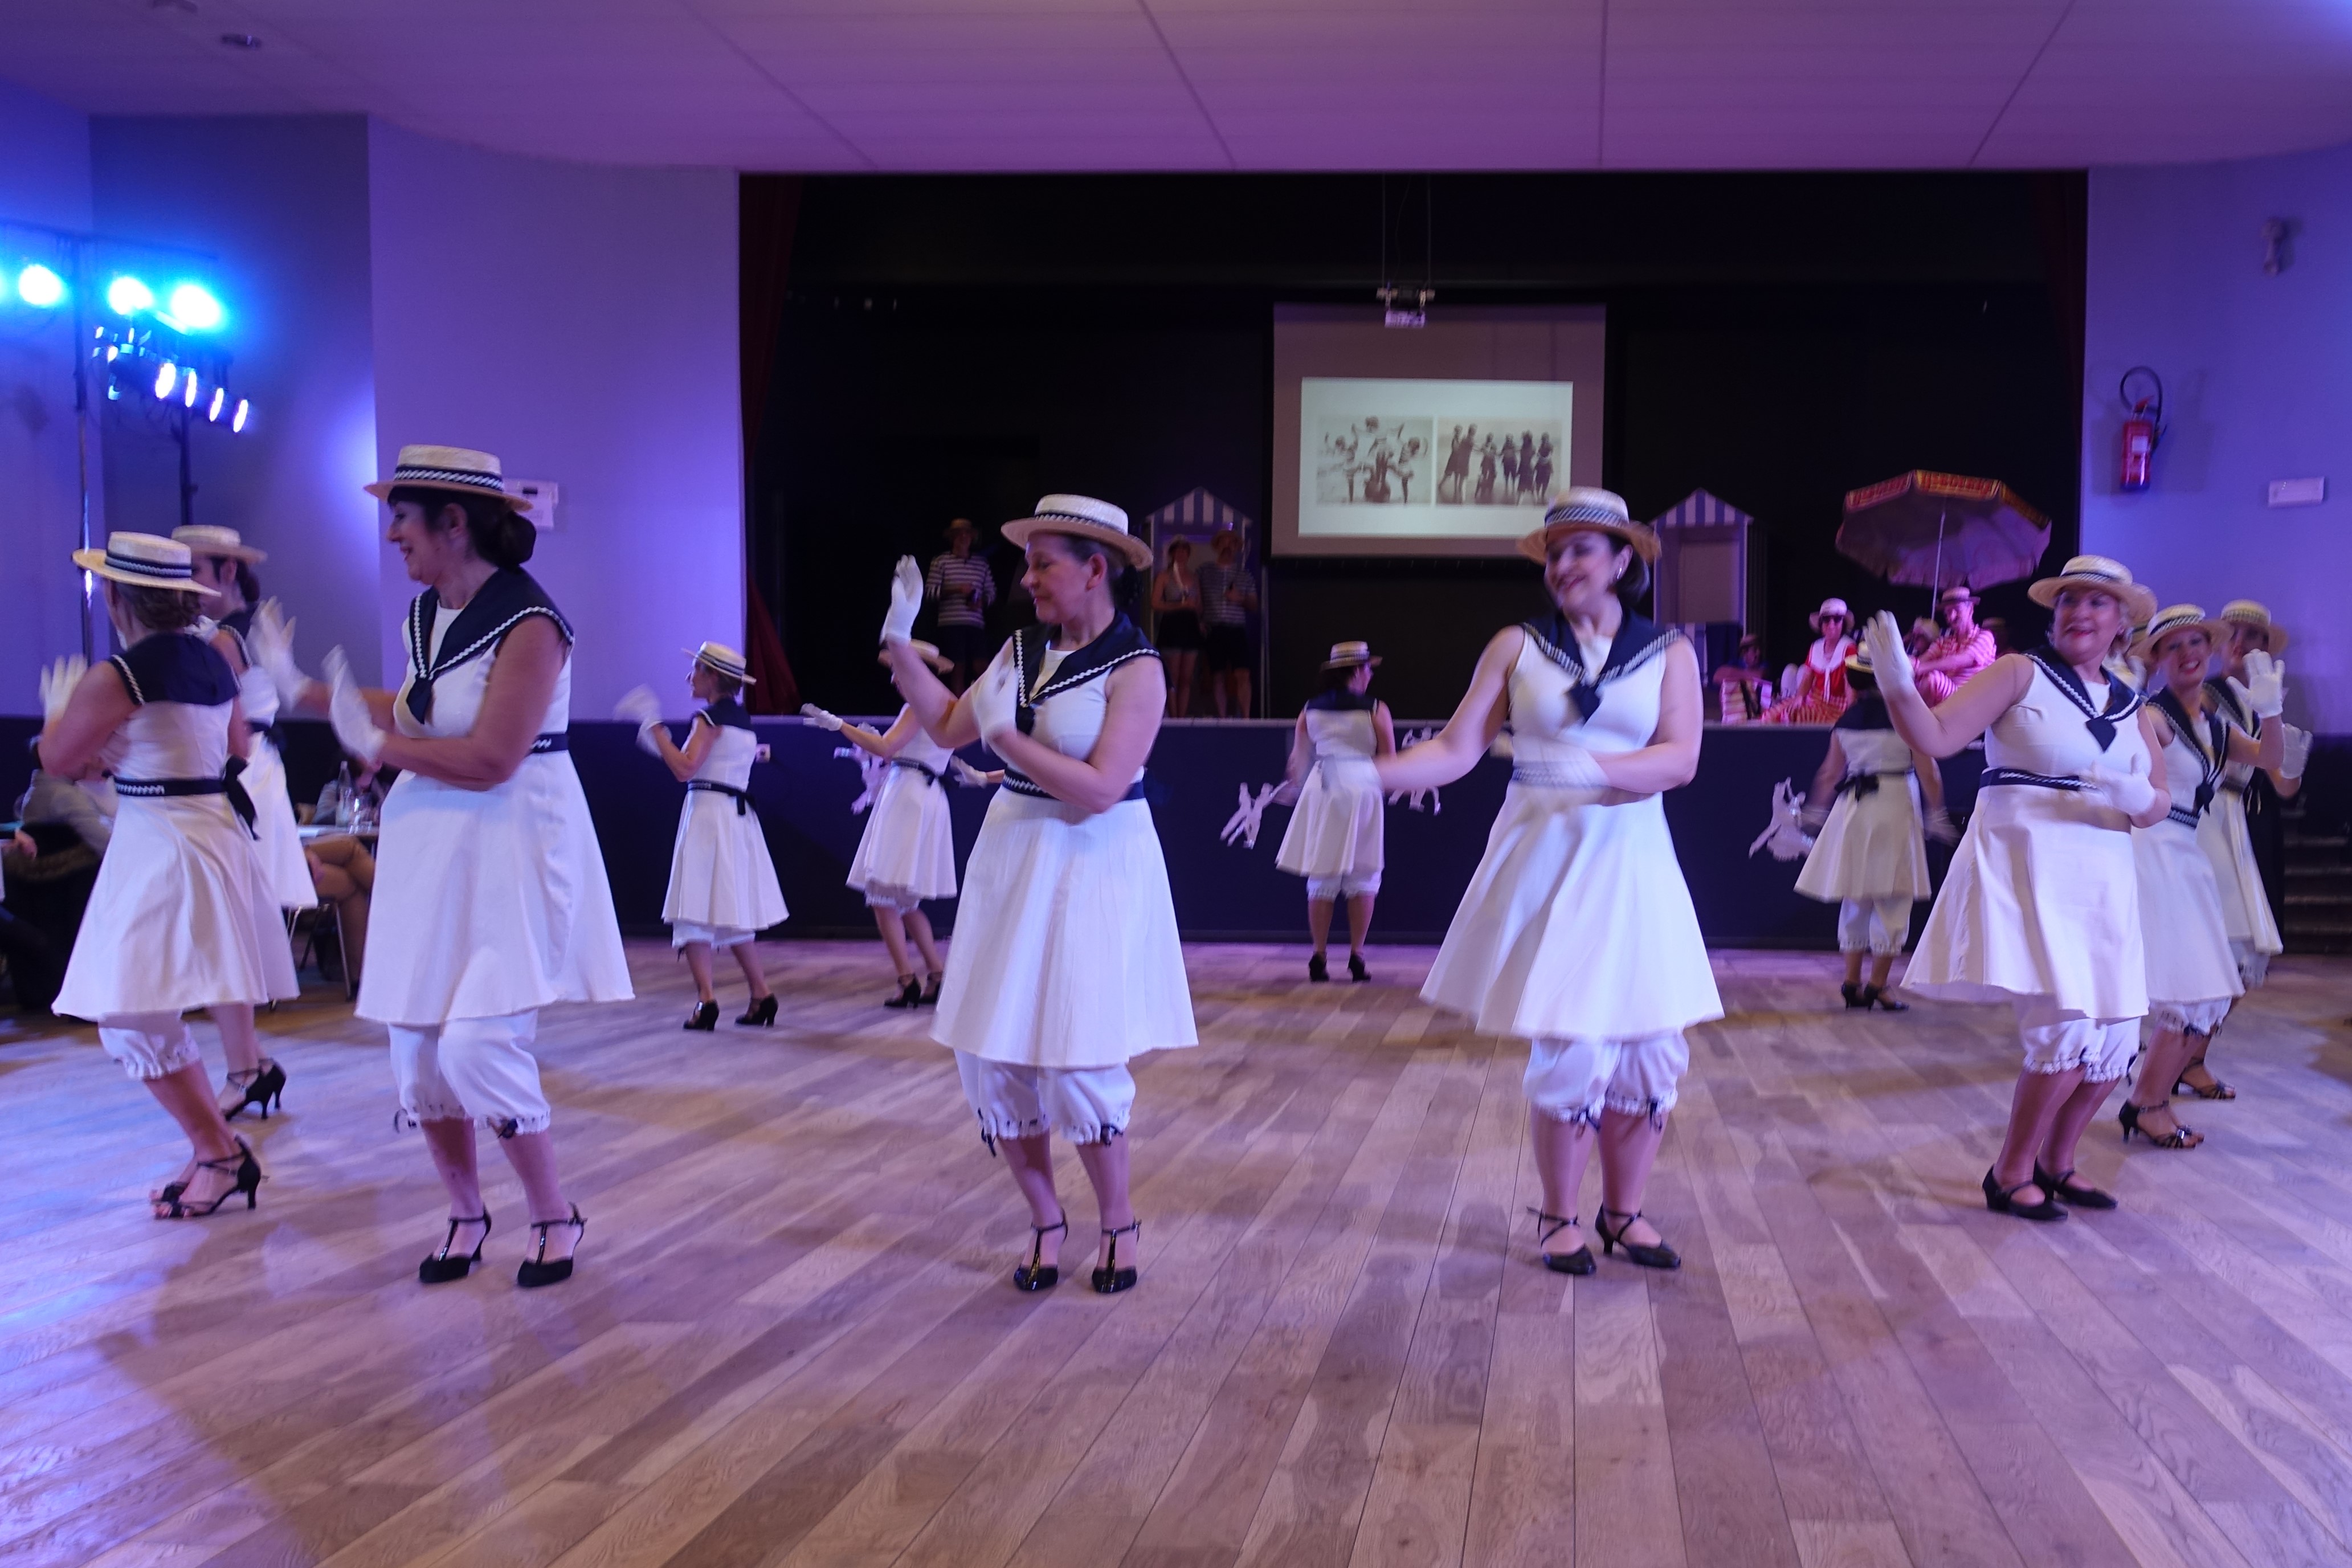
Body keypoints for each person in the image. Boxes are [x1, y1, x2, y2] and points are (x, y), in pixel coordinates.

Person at [256, 445, 631, 1288]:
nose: (393, 534)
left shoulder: (531, 623)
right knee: (418, 1050)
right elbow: (419, 708)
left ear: (453, 523)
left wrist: (378, 746)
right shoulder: (427, 615)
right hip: (433, 840)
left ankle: (553, 1213)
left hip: (511, 839)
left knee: (478, 1045)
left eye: (402, 517)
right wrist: (306, 691)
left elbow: (494, 755)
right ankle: (466, 1212)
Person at [1379, 488, 1717, 1276]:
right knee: (1571, 1042)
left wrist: (1588, 767)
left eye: (1580, 550)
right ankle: (1560, 1217)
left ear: (1622, 561)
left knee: (1651, 1046)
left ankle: (1624, 1213)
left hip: (1632, 863)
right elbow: (1457, 748)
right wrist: (1373, 775)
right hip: (1548, 860)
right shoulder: (1517, 645)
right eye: (1554, 553)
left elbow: (1681, 758)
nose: (1563, 565)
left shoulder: (1669, 651)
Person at [880, 493, 1195, 1297]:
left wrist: (1008, 741)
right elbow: (949, 725)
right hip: (1015, 859)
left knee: (1078, 1053)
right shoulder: (1020, 649)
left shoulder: (1137, 668)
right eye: (1028, 564)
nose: (1027, 579)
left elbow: (1102, 787)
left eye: (1042, 564)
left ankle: (1117, 1222)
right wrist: (900, 644)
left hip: (1091, 863)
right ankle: (1046, 1220)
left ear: (1094, 571)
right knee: (995, 1054)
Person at [1861, 555, 2174, 1222]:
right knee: (2066, 1030)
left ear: (2122, 622)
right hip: (2032, 871)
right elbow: (1937, 735)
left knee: (2115, 1039)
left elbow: (2160, 802)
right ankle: (2009, 1172)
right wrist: (1898, 685)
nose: (2079, 612)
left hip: (2103, 882)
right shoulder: (2018, 673)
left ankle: (2058, 1162)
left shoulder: (2132, 706)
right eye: (2068, 601)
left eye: (2096, 602)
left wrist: (2138, 794)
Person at [42, 532, 295, 1218]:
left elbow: (60, 760)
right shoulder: (214, 662)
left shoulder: (118, 673)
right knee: (141, 1009)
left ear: (118, 598)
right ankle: (216, 1148)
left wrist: (61, 718)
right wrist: (139, 752)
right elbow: (237, 747)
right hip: (210, 832)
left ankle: (219, 1152)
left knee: (130, 1010)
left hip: (161, 843)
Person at [2118, 606, 2287, 1146]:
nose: (2188, 653)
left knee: (2207, 992)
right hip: (2155, 851)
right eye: (2174, 646)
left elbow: (2271, 759)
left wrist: (2271, 709)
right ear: (2160, 659)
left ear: (2210, 651)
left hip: (2186, 852)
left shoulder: (2214, 724)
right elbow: (2137, 777)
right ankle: (2147, 1103)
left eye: (2196, 643)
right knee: (2190, 991)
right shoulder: (2154, 718)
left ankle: (2149, 1101)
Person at [177, 527, 313, 1123]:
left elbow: (201, 698)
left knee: (225, 926)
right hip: (236, 773)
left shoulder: (232, 634)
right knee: (222, 927)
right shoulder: (218, 631)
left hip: (241, 776)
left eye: (194, 571)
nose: (185, 585)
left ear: (228, 572)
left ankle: (246, 1068)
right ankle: (250, 1062)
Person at [617, 642, 785, 1030]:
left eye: (695, 670)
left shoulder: (708, 720)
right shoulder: (741, 720)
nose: (689, 677)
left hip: (708, 816)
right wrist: (659, 739)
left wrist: (652, 724)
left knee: (693, 907)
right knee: (732, 909)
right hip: (735, 818)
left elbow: (685, 769)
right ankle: (761, 994)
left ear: (713, 676)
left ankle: (706, 1000)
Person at [2179, 599, 2305, 1100]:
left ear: (2265, 648)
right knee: (2215, 949)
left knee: (2245, 954)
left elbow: (2284, 786)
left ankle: (2191, 1058)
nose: (2239, 643)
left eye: (2251, 636)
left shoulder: (2263, 703)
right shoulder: (2207, 695)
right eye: (2231, 633)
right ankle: (2174, 1061)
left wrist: (2285, 744)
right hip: (2206, 820)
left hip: (2241, 824)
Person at [803, 640, 961, 1008]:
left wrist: (839, 725)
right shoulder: (946, 702)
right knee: (903, 899)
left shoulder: (919, 704)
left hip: (908, 794)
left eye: (898, 670)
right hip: (923, 792)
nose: (893, 679)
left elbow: (886, 748)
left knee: (882, 896)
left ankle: (907, 979)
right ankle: (936, 974)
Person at [1795, 648, 1953, 1010]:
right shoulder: (1909, 720)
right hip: (1895, 803)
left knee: (1857, 894)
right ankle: (1878, 986)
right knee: (1894, 895)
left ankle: (1852, 982)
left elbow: (1829, 772)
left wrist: (1816, 810)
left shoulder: (1846, 721)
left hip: (1854, 807)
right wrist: (1937, 814)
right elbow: (1929, 772)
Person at [1275, 641, 1395, 983]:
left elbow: (1298, 761)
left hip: (1323, 785)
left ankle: (1319, 955)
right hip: (1362, 783)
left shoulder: (1309, 710)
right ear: (1356, 671)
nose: (1370, 675)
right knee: (1364, 874)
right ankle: (1357, 955)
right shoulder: (1376, 709)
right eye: (1368, 668)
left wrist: (1294, 787)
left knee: (1322, 875)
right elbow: (1389, 760)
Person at [925, 518, 997, 692]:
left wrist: (981, 602)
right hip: (951, 624)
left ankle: (983, 704)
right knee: (958, 669)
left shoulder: (981, 563)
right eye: (958, 534)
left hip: (975, 624)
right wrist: (957, 589)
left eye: (967, 534)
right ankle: (958, 707)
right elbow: (930, 593)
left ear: (972, 537)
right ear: (952, 538)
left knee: (982, 668)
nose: (963, 537)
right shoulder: (941, 561)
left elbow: (991, 592)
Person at [1761, 599, 1855, 724]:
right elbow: (1807, 678)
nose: (1831, 624)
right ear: (1821, 624)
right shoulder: (1816, 647)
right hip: (1815, 700)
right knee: (1773, 714)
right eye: (1827, 619)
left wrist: (1852, 714)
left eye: (1837, 619)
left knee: (1794, 715)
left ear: (1843, 624)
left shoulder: (1849, 648)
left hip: (1836, 707)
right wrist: (1799, 697)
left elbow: (1850, 686)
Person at [1197, 527, 1257, 718]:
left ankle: (1246, 719)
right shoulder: (1204, 571)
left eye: (1232, 543)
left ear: (1237, 548)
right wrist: (1199, 621)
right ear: (1217, 546)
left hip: (1236, 629)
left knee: (1243, 674)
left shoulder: (1244, 574)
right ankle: (1223, 718)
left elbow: (1254, 605)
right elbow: (1196, 599)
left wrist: (1240, 598)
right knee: (1218, 676)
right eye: (1224, 542)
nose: (1228, 546)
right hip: (1214, 629)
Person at [1912, 584, 1997, 704]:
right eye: (1947, 613)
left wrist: (1922, 668)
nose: (1951, 617)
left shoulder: (1985, 637)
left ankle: (1919, 716)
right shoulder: (1944, 642)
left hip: (1973, 703)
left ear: (1970, 609)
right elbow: (1923, 660)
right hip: (1950, 703)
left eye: (1956, 609)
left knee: (1933, 679)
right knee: (1913, 680)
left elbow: (1962, 659)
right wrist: (1909, 664)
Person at [1150, 537, 1204, 717]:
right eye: (1178, 551)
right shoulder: (1164, 576)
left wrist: (1197, 612)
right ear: (1172, 554)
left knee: (1187, 677)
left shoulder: (1194, 577)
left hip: (1190, 627)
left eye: (1184, 551)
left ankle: (1182, 715)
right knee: (1173, 674)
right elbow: (1155, 603)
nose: (1181, 555)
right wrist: (1179, 606)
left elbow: (1200, 606)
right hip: (1172, 626)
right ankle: (1174, 716)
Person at [1711, 633, 1774, 723]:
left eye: (1760, 649)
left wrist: (1734, 675)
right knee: (1727, 686)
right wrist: (1746, 676)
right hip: (1736, 709)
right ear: (1745, 652)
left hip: (1757, 711)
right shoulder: (1735, 663)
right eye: (1755, 650)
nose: (1759, 653)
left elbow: (1759, 676)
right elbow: (1717, 676)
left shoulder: (1764, 665)